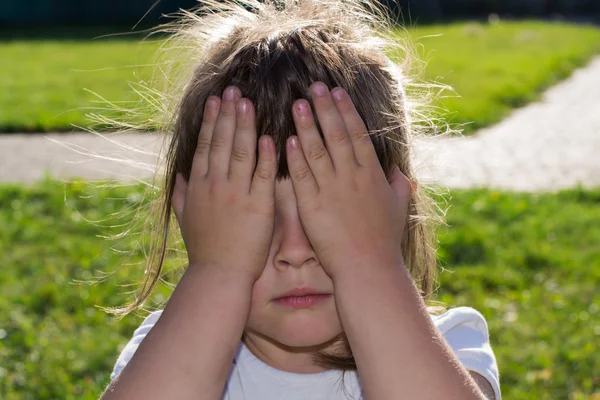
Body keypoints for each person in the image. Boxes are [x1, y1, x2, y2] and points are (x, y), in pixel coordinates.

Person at [100, 0, 501, 398]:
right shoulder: (173, 345)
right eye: (260, 217)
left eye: (325, 213)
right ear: (197, 219)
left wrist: (367, 265)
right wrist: (217, 271)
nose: (294, 251)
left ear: (394, 210)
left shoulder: (449, 346)